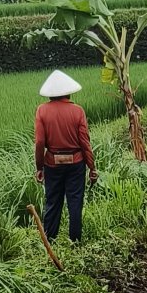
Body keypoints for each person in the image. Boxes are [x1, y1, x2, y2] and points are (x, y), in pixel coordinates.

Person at [34, 69, 96, 245]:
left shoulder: (42, 111)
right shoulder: (77, 111)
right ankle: (75, 242)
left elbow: (39, 142)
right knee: (75, 202)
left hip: (52, 164)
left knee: (53, 202)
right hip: (76, 163)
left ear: (50, 94)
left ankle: (49, 242)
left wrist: (39, 167)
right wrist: (92, 167)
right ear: (69, 91)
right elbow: (85, 142)